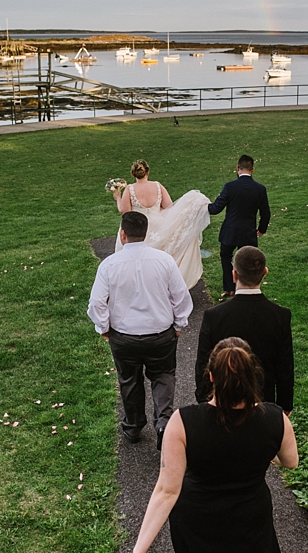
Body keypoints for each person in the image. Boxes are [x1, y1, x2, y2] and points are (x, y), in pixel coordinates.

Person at [128, 338, 298, 553]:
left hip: (195, 520)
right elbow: (290, 461)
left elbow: (167, 490)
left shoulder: (183, 422)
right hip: (247, 522)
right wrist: (268, 448)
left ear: (211, 377)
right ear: (251, 376)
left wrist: (140, 551)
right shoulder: (275, 419)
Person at [87, 211, 193, 450]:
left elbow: (96, 303)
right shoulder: (164, 260)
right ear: (145, 234)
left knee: (129, 380)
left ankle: (133, 426)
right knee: (163, 376)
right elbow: (181, 297)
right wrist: (179, 324)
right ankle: (163, 422)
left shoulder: (109, 265)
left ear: (123, 234)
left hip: (124, 337)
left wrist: (103, 327)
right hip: (161, 334)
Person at [195, 246, 294, 413]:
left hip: (222, 403)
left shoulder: (214, 316)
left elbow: (204, 365)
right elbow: (284, 368)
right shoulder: (280, 316)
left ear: (234, 275)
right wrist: (285, 406)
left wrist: (204, 401)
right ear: (265, 273)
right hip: (263, 405)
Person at [112, 159, 210, 290]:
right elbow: (169, 207)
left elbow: (125, 211)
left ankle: (134, 285)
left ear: (133, 174)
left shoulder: (130, 189)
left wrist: (118, 198)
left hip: (138, 226)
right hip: (158, 226)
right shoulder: (158, 186)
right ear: (147, 172)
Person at [208, 155, 270, 299]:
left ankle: (230, 289)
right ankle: (247, 289)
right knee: (248, 261)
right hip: (248, 232)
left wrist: (202, 206)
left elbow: (216, 208)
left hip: (230, 231)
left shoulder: (230, 186)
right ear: (252, 169)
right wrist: (262, 229)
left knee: (226, 257)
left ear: (237, 168)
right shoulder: (260, 189)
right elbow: (265, 212)